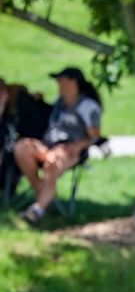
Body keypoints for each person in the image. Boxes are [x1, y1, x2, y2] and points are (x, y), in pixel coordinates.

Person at [14, 67, 102, 225]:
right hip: (48, 146)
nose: (58, 84)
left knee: (52, 164)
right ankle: (44, 192)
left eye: (61, 80)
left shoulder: (88, 106)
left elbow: (94, 136)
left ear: (73, 82)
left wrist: (77, 146)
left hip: (70, 150)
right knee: (21, 147)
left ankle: (37, 210)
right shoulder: (60, 102)